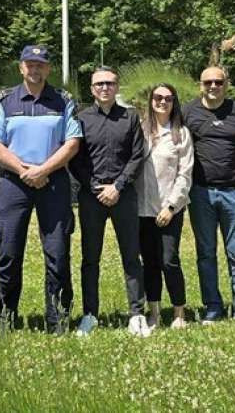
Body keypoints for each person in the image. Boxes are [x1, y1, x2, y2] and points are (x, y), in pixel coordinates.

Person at [0, 45, 82, 334]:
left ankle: (58, 320)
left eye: (40, 65)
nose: (35, 69)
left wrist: (43, 170)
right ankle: (5, 319)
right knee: (8, 251)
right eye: (30, 64)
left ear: (48, 69)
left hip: (53, 182)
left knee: (58, 252)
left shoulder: (63, 101)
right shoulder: (4, 100)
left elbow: (72, 143)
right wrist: (25, 170)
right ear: (21, 68)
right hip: (14, 184)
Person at [69, 66, 149, 337]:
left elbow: (137, 156)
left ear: (117, 87)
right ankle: (90, 314)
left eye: (110, 83)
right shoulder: (81, 119)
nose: (105, 88)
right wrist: (95, 187)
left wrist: (117, 186)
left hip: (123, 195)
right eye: (99, 84)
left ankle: (137, 314)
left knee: (131, 255)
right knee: (90, 257)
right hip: (91, 197)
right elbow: (75, 159)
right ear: (92, 89)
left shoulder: (130, 117)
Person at [182, 66, 235, 327]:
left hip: (233, 192)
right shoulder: (188, 112)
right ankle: (213, 307)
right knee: (206, 252)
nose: (213, 86)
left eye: (218, 82)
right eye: (208, 82)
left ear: (226, 84)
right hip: (200, 192)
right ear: (200, 85)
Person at [136, 83, 194, 330]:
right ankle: (155, 313)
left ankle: (179, 313)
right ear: (151, 101)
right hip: (142, 208)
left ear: (174, 102)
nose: (162, 102)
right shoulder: (140, 130)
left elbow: (185, 173)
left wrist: (171, 207)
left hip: (171, 208)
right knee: (149, 262)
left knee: (169, 260)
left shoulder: (181, 133)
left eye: (168, 98)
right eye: (158, 97)